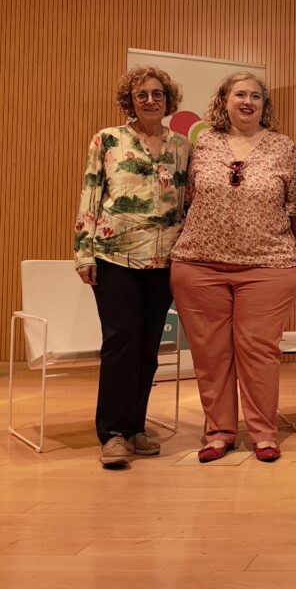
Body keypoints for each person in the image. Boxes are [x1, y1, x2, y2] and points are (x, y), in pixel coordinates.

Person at [171, 71, 296, 463]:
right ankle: (218, 433)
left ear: (264, 105)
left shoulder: (283, 146)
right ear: (224, 101)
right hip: (199, 264)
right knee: (210, 355)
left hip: (268, 265)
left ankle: (263, 434)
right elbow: (187, 200)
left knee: (258, 352)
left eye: (255, 96)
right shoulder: (203, 144)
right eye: (240, 95)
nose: (248, 102)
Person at [74, 66, 190, 467]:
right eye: (142, 95)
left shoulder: (182, 146)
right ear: (130, 101)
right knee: (121, 342)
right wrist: (83, 252)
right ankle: (112, 433)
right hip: (114, 256)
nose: (150, 100)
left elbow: (188, 202)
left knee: (147, 347)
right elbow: (91, 194)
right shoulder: (107, 139)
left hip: (165, 260)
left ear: (168, 100)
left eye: (158, 94)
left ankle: (136, 427)